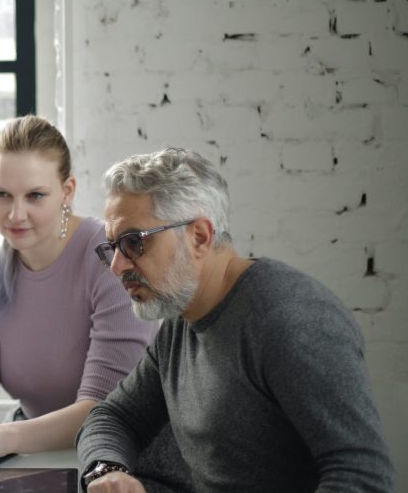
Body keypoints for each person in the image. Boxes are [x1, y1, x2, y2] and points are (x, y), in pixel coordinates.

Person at [77, 148, 395, 491]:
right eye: (112, 246)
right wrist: (107, 471)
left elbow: (364, 475)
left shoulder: (289, 319)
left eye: (133, 243)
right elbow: (114, 417)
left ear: (199, 236)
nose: (116, 266)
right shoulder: (181, 321)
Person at [0, 115, 158, 469]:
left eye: (35, 196)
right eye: (1, 195)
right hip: (37, 457)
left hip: (119, 459)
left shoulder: (109, 259)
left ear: (68, 191)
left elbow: (102, 408)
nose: (16, 214)